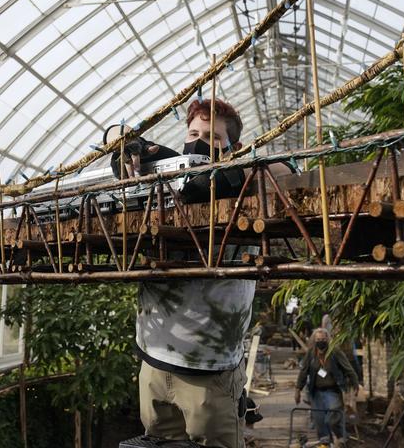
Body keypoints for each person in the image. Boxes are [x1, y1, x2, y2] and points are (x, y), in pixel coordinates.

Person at [124, 98, 291, 448]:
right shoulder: (168, 185)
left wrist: (236, 172)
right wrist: (128, 149)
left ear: (234, 148)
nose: (199, 142)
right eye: (193, 134)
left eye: (213, 139)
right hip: (153, 364)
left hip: (209, 372)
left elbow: (289, 173)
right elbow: (115, 136)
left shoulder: (247, 195)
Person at [294, 328, 359, 446]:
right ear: (314, 340)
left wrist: (355, 385)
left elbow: (348, 368)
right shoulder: (311, 353)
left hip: (332, 391)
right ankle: (325, 443)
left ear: (328, 340)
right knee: (320, 422)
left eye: (323, 339)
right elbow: (303, 372)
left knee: (332, 419)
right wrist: (298, 389)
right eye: (318, 339)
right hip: (316, 392)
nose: (321, 341)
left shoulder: (335, 352)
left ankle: (342, 438)